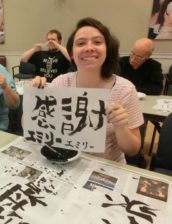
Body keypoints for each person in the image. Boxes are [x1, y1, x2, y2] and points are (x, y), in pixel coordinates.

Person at [31, 17, 144, 163]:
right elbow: (32, 127)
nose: (89, 48)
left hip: (105, 167)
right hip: (64, 161)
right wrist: (34, 99)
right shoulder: (61, 83)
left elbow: (133, 150)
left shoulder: (125, 89)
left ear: (108, 50)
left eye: (97, 42)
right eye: (81, 43)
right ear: (71, 54)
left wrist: (120, 127)